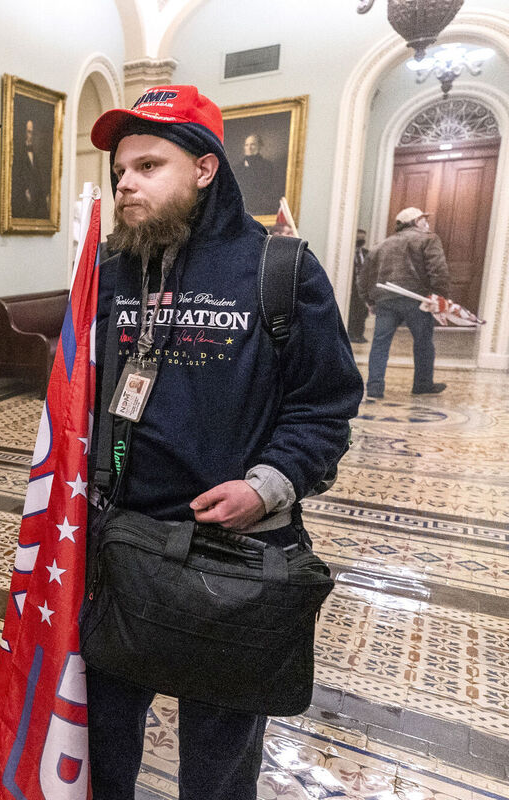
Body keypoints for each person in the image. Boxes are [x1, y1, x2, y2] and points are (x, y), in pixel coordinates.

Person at [84, 85, 361, 799]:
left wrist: (264, 486)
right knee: (104, 739)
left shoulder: (280, 269)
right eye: (120, 171)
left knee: (218, 758)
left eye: (148, 166)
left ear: (205, 169)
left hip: (233, 560)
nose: (126, 184)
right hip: (124, 548)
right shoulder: (114, 273)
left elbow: (325, 406)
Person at [358, 207, 451, 399]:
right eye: (423, 219)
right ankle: (422, 384)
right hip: (417, 300)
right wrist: (439, 296)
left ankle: (375, 388)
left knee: (380, 344)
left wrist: (369, 301)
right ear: (416, 222)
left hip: (385, 301)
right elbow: (438, 270)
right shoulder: (428, 239)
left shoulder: (380, 245)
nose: (427, 222)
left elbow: (364, 277)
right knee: (423, 343)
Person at [235, 133, 281, 216]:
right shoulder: (237, 168)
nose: (249, 148)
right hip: (241, 210)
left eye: (252, 144)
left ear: (259, 146)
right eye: (246, 145)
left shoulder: (267, 166)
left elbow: (271, 188)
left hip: (261, 209)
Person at [11, 118, 48, 218]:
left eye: (33, 133)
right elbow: (17, 177)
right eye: (29, 132)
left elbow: (39, 178)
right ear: (24, 132)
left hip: (36, 199)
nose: (31, 136)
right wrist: (25, 190)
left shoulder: (38, 154)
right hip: (22, 200)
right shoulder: (18, 153)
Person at [348, 228, 370, 343]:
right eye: (359, 237)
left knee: (363, 312)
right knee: (352, 311)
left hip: (363, 288)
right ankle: (350, 333)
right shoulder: (348, 254)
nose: (361, 240)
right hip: (351, 288)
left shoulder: (367, 253)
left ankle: (359, 334)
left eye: (363, 238)